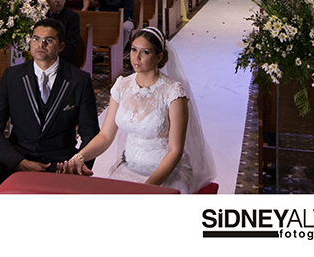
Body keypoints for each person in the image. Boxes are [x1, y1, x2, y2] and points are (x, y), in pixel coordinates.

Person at [61, 27, 215, 193]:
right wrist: (80, 157)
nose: (136, 57)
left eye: (145, 52)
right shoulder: (122, 85)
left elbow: (175, 151)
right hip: (129, 169)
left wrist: (147, 188)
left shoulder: (173, 92)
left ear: (159, 57)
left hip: (162, 174)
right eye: (134, 49)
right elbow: (105, 136)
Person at [0, 18, 99, 192]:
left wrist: (79, 164)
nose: (40, 44)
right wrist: (18, 162)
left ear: (61, 46)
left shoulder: (79, 80)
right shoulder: (12, 76)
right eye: (36, 39)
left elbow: (90, 133)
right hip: (17, 154)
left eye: (48, 40)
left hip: (59, 160)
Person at [45, 0, 83, 64]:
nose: (58, 0)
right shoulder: (43, 15)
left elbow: (71, 46)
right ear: (47, 1)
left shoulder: (72, 17)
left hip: (62, 60)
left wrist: (52, 56)